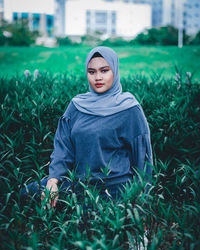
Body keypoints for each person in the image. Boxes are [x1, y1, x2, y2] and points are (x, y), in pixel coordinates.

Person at [21, 46, 152, 208]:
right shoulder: (77, 105)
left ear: (115, 71)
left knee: (90, 217)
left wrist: (142, 201)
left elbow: (143, 159)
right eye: (92, 72)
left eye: (104, 71)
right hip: (79, 183)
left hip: (114, 189)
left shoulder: (129, 109)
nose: (98, 77)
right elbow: (63, 149)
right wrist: (53, 181)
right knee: (28, 192)